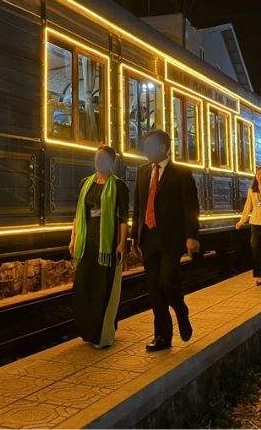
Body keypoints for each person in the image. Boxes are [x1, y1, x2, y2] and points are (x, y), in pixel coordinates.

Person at [131, 130, 200, 352]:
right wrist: (135, 236)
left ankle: (181, 311)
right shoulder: (142, 172)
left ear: (162, 148)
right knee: (153, 288)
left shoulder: (180, 173)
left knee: (167, 282)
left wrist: (191, 236)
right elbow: (139, 207)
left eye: (149, 146)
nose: (145, 151)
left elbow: (190, 208)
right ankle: (162, 336)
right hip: (148, 238)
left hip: (171, 239)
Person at [68, 146, 129, 348]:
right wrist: (73, 238)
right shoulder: (85, 183)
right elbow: (79, 215)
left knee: (103, 289)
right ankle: (88, 331)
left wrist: (121, 243)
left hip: (107, 245)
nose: (98, 161)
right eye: (97, 158)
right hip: (87, 244)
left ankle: (103, 335)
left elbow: (122, 218)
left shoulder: (119, 186)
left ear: (111, 163)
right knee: (83, 287)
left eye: (103, 158)